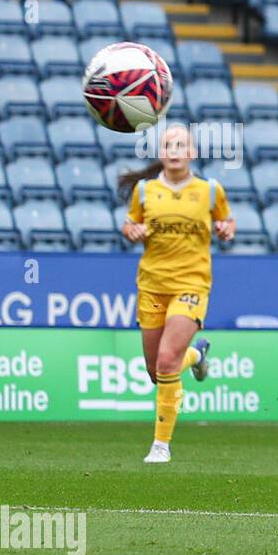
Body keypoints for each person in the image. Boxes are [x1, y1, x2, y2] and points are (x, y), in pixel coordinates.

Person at [118, 124, 235, 463]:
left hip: (191, 283)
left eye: (180, 144)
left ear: (191, 153)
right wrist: (132, 230)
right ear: (161, 153)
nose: (174, 149)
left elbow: (227, 222)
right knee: (157, 370)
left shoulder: (210, 191)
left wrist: (226, 229)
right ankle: (197, 356)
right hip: (152, 284)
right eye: (168, 144)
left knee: (168, 359)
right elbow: (129, 225)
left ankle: (160, 445)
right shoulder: (145, 191)